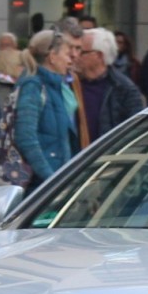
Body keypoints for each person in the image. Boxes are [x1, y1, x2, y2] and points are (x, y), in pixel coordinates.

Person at [14, 27, 86, 190]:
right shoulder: (33, 86)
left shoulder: (55, 85)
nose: (70, 60)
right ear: (52, 57)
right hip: (40, 187)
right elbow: (25, 137)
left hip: (54, 181)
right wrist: (51, 179)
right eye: (67, 54)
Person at [77, 27, 145, 143]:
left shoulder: (124, 88)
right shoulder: (69, 84)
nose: (74, 55)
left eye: (80, 51)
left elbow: (135, 131)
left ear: (99, 56)